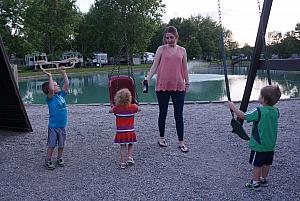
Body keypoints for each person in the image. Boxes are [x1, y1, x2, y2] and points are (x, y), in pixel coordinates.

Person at [228, 85, 281, 191]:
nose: (259, 96)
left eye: (260, 95)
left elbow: (244, 116)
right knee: (267, 163)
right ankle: (263, 179)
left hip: (259, 144)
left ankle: (255, 183)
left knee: (257, 164)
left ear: (264, 99)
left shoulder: (259, 111)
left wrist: (233, 107)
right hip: (270, 144)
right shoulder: (276, 111)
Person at [145, 25, 189, 152]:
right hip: (162, 86)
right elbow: (154, 66)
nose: (169, 40)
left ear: (176, 37)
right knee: (163, 113)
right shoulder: (161, 49)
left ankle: (181, 141)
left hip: (178, 86)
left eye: (171, 37)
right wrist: (148, 78)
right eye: (167, 38)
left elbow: (185, 68)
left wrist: (187, 84)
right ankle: (161, 138)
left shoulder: (182, 50)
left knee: (178, 115)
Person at [41, 67, 69, 170]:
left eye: (56, 84)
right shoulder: (50, 98)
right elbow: (52, 89)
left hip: (62, 126)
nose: (57, 86)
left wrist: (64, 73)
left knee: (61, 144)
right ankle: (48, 159)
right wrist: (50, 76)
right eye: (55, 85)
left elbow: (66, 85)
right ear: (49, 89)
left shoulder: (61, 95)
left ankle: (60, 157)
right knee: (52, 145)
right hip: (53, 127)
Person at [109, 88, 141, 169]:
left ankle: (123, 163)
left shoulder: (116, 109)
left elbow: (110, 111)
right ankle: (130, 157)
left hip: (121, 132)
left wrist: (113, 106)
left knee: (122, 146)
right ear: (129, 98)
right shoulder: (133, 107)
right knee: (131, 143)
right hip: (130, 131)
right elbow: (139, 109)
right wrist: (137, 105)